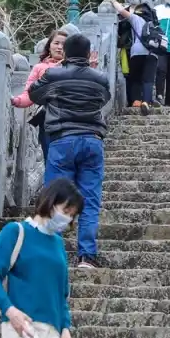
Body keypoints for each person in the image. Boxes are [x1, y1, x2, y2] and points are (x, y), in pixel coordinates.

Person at [28, 35, 111, 268]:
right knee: (90, 199)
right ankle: (87, 255)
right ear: (88, 54)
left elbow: (35, 94)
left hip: (62, 140)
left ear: (64, 52)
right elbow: (104, 99)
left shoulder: (54, 75)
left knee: (55, 198)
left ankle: (51, 252)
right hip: (92, 140)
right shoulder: (100, 79)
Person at [0, 178, 82, 338]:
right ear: (51, 201)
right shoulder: (16, 231)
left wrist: (65, 327)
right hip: (22, 327)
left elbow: (62, 293)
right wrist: (10, 310)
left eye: (72, 215)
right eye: (65, 211)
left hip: (53, 332)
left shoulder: (58, 244)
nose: (67, 219)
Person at [13, 29, 67, 162]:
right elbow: (29, 93)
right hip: (48, 119)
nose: (60, 47)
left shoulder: (74, 67)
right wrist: (16, 101)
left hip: (71, 119)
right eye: (56, 43)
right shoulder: (39, 67)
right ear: (49, 46)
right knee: (51, 159)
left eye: (64, 44)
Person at [114, 0, 159, 110]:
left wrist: (112, 1)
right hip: (152, 49)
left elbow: (122, 13)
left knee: (135, 77)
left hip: (136, 50)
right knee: (148, 78)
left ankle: (136, 101)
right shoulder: (150, 16)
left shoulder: (135, 17)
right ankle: (146, 101)